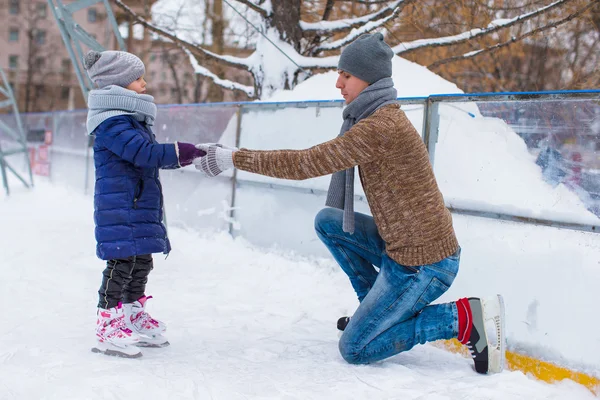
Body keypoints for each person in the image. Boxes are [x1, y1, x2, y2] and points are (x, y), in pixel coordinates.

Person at [193, 33, 505, 374]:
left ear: (368, 79)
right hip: (401, 248)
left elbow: (305, 163)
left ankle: (463, 318)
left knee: (356, 348)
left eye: (346, 75)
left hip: (424, 265)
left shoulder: (380, 127)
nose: (338, 83)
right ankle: (373, 310)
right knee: (328, 221)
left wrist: (233, 158)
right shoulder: (372, 118)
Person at [84, 50, 205, 358]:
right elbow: (144, 154)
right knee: (121, 263)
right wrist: (182, 152)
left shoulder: (132, 120)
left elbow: (147, 156)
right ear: (118, 86)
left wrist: (187, 156)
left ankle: (131, 315)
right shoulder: (112, 122)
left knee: (141, 262)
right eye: (137, 78)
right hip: (121, 206)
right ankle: (107, 323)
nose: (144, 82)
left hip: (137, 204)